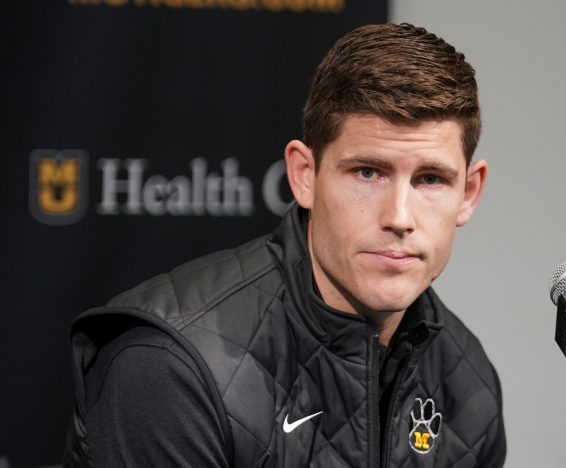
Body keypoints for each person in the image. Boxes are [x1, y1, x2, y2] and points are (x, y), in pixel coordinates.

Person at [64, 23, 506, 467]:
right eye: (368, 173)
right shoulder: (169, 367)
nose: (399, 217)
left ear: (468, 194)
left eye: (430, 179)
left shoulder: (469, 382)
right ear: (304, 176)